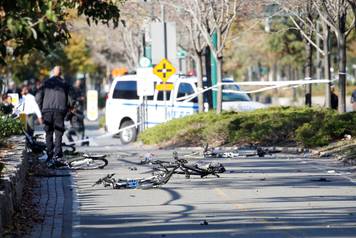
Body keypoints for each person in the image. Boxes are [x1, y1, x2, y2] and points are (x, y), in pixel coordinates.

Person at [36, 66, 70, 161]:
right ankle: (57, 154)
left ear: (53, 72)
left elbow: (38, 97)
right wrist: (67, 110)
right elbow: (70, 99)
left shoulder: (46, 83)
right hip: (60, 111)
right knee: (58, 133)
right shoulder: (65, 84)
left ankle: (49, 154)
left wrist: (40, 110)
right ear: (61, 73)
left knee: (48, 133)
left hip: (47, 111)